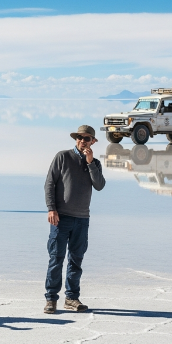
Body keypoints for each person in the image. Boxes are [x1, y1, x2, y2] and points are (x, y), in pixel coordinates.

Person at [43, 125, 105, 314]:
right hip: (61, 218)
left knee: (76, 260)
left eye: (87, 138)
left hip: (82, 219)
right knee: (56, 259)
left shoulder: (94, 163)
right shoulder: (62, 156)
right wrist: (51, 209)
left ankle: (71, 298)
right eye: (80, 137)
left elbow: (100, 185)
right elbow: (49, 183)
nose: (83, 141)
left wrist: (89, 162)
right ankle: (51, 299)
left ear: (93, 141)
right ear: (76, 139)